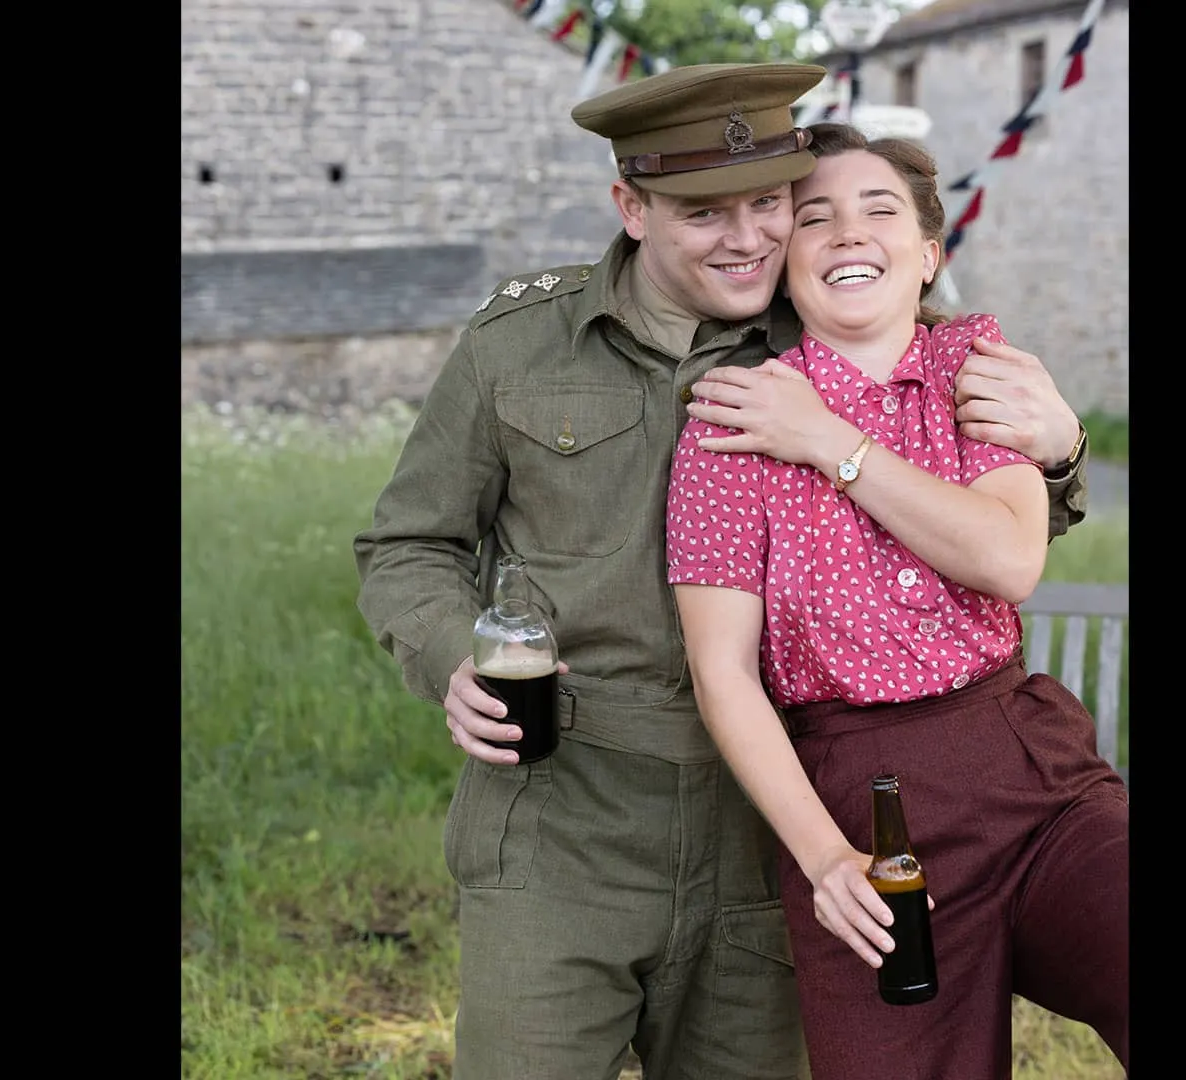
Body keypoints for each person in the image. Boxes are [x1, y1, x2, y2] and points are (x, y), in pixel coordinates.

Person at [353, 64, 1096, 1080]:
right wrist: (450, 659)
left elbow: (980, 513)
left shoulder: (829, 324)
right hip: (569, 820)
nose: (748, 239)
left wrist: (1060, 453)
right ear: (632, 207)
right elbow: (408, 543)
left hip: (776, 827)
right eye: (704, 212)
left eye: (768, 204)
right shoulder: (520, 344)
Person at [665, 121, 1130, 1080]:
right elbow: (723, 676)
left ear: (927, 254)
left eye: (879, 210)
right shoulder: (732, 422)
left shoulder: (982, 373)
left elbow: (1007, 559)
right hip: (864, 815)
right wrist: (825, 859)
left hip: (1026, 773)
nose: (846, 233)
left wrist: (829, 442)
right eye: (815, 218)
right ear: (785, 263)